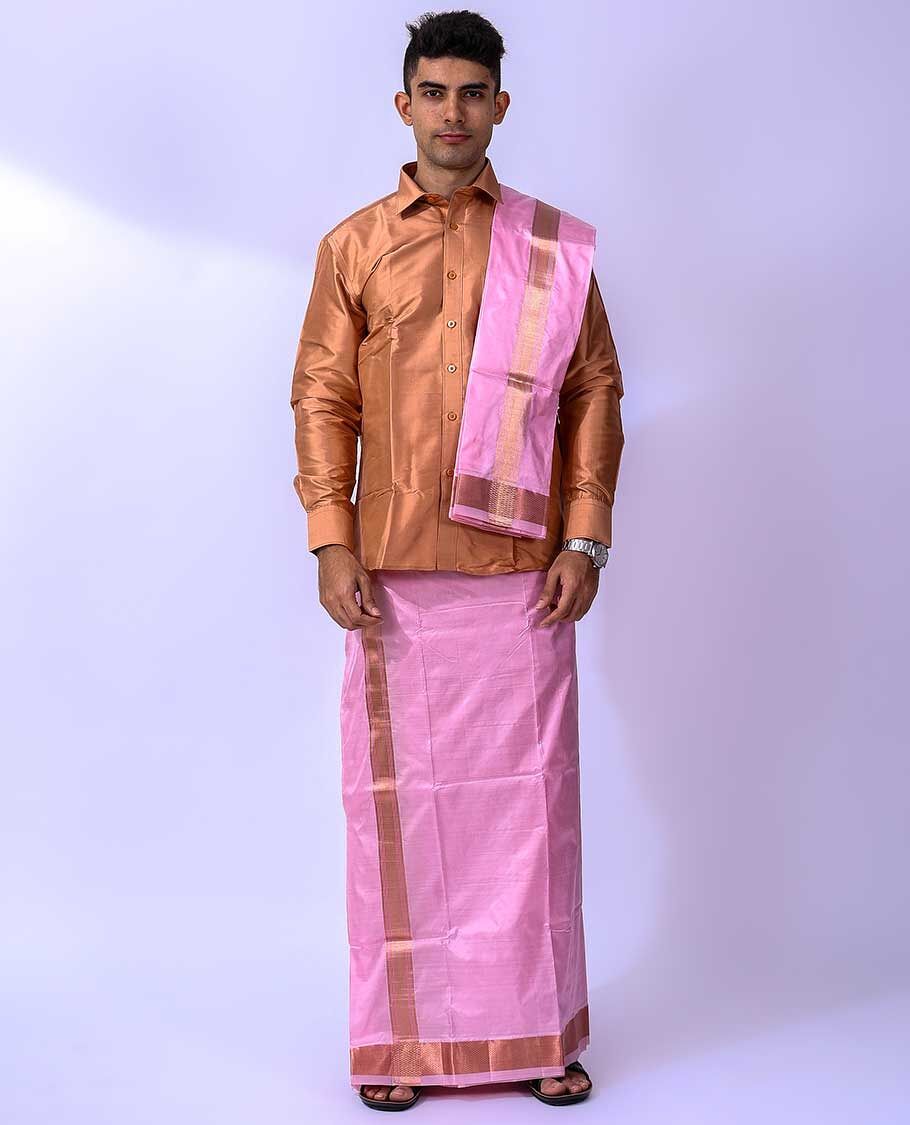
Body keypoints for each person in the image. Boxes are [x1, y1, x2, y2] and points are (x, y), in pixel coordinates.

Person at [289, 9, 624, 1111]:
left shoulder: (547, 247)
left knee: (530, 808)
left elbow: (591, 393)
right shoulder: (352, 246)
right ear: (404, 105)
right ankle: (401, 1049)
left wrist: (582, 535)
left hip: (521, 570)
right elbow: (322, 399)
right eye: (432, 92)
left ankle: (537, 1038)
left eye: (471, 92)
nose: (451, 112)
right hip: (391, 572)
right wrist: (331, 539)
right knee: (400, 807)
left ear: (499, 106)